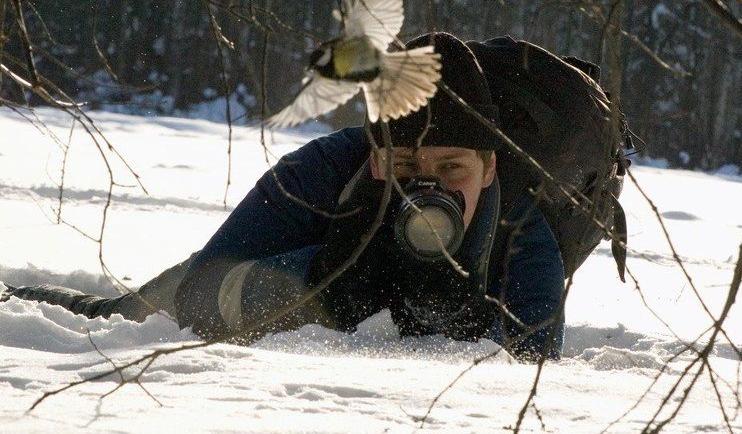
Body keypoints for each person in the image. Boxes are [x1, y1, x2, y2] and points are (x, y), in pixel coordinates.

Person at [2, 33, 565, 361]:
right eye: (406, 165)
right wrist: (330, 277)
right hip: (264, 269)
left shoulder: (519, 224)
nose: (428, 187)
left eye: (452, 168)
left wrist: (455, 312)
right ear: (374, 157)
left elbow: (533, 361)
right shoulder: (319, 174)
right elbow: (201, 293)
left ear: (490, 169)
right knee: (115, 316)